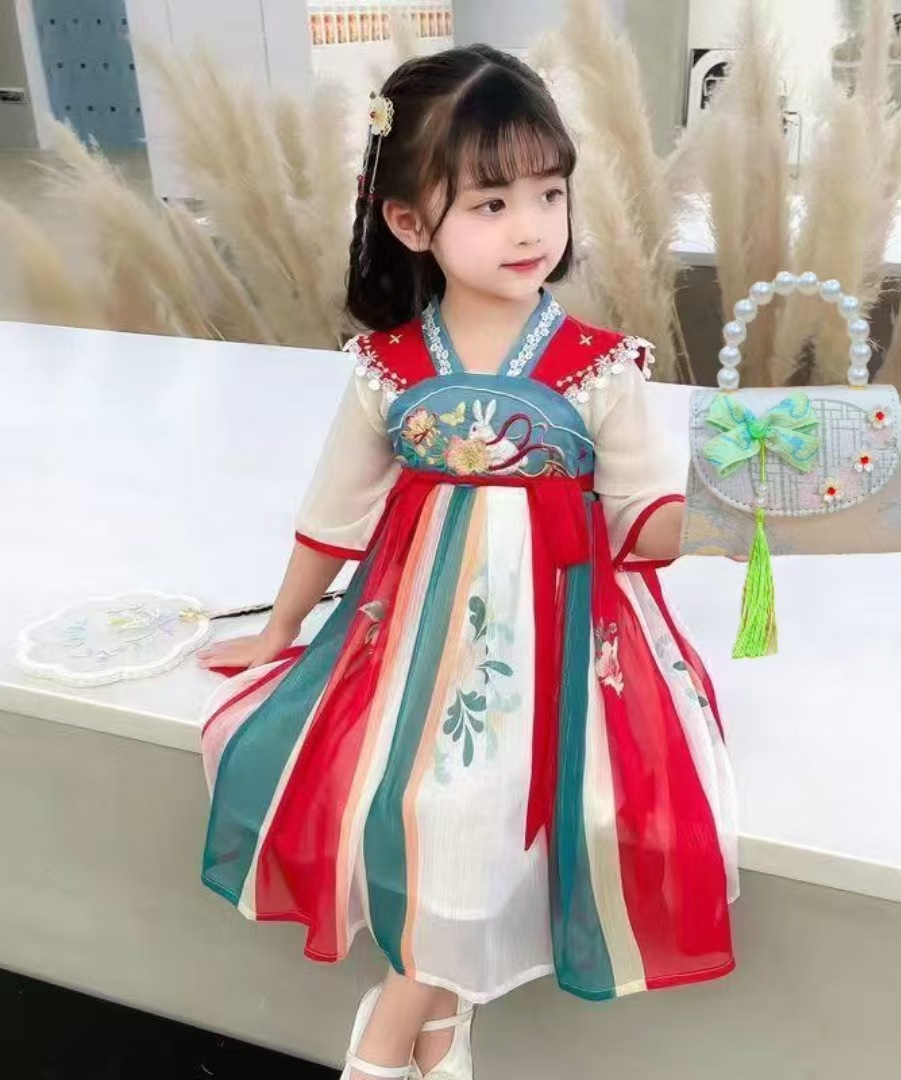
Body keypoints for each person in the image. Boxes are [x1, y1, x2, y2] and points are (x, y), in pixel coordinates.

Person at [195, 45, 739, 1080]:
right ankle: (438, 1025)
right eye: (492, 204)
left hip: (564, 624)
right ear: (411, 223)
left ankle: (394, 1028)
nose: (532, 226)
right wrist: (280, 630)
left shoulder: (600, 366)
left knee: (492, 807)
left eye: (549, 193)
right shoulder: (387, 367)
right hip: (415, 624)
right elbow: (333, 515)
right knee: (426, 799)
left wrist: (739, 516)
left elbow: (643, 519)